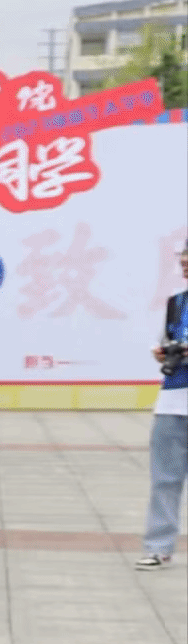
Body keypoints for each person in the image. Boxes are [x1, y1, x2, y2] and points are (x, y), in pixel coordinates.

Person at [138, 241, 188, 569]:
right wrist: (162, 352)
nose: (184, 265)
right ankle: (158, 546)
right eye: (183, 261)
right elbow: (164, 341)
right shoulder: (176, 304)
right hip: (173, 402)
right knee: (165, 480)